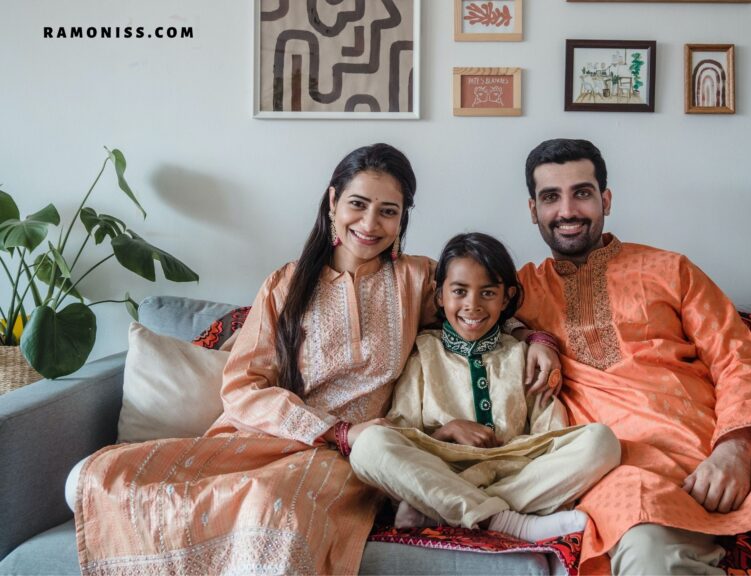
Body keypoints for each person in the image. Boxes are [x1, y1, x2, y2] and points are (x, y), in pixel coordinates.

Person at [71, 144, 559, 575]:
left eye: (388, 212)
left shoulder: (416, 280)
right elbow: (242, 388)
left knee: (272, 508)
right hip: (269, 438)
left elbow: (475, 309)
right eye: (358, 205)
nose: (370, 225)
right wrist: (327, 428)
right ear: (332, 202)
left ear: (403, 219)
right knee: (95, 478)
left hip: (351, 457)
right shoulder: (285, 285)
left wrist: (535, 337)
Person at [509, 138, 751, 575]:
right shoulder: (517, 293)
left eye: (581, 192)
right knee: (648, 554)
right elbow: (453, 311)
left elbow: (737, 356)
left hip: (734, 450)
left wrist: (734, 448)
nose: (567, 210)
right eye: (551, 197)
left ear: (605, 199)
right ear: (533, 210)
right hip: (631, 473)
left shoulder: (670, 269)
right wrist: (526, 333)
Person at [349, 233, 620, 542]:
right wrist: (447, 430)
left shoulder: (521, 354)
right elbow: (401, 430)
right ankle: (512, 523)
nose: (472, 305)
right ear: (440, 297)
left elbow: (547, 427)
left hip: (515, 468)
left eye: (487, 293)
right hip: (442, 467)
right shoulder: (424, 352)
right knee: (369, 445)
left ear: (505, 299)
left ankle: (446, 507)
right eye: (459, 292)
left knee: (602, 442)